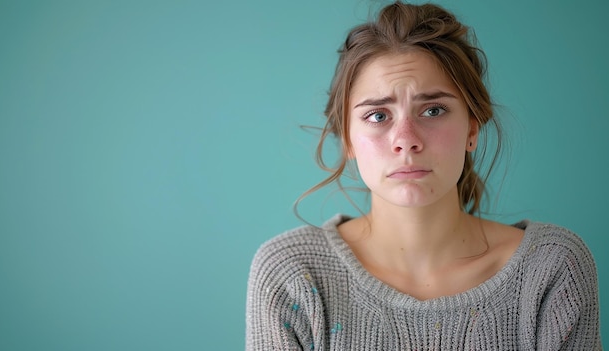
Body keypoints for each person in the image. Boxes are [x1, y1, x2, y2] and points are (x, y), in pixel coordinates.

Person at [245, 1, 602, 350]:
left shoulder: (552, 267)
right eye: (378, 116)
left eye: (433, 110)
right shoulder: (293, 275)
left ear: (472, 129)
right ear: (348, 138)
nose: (406, 141)